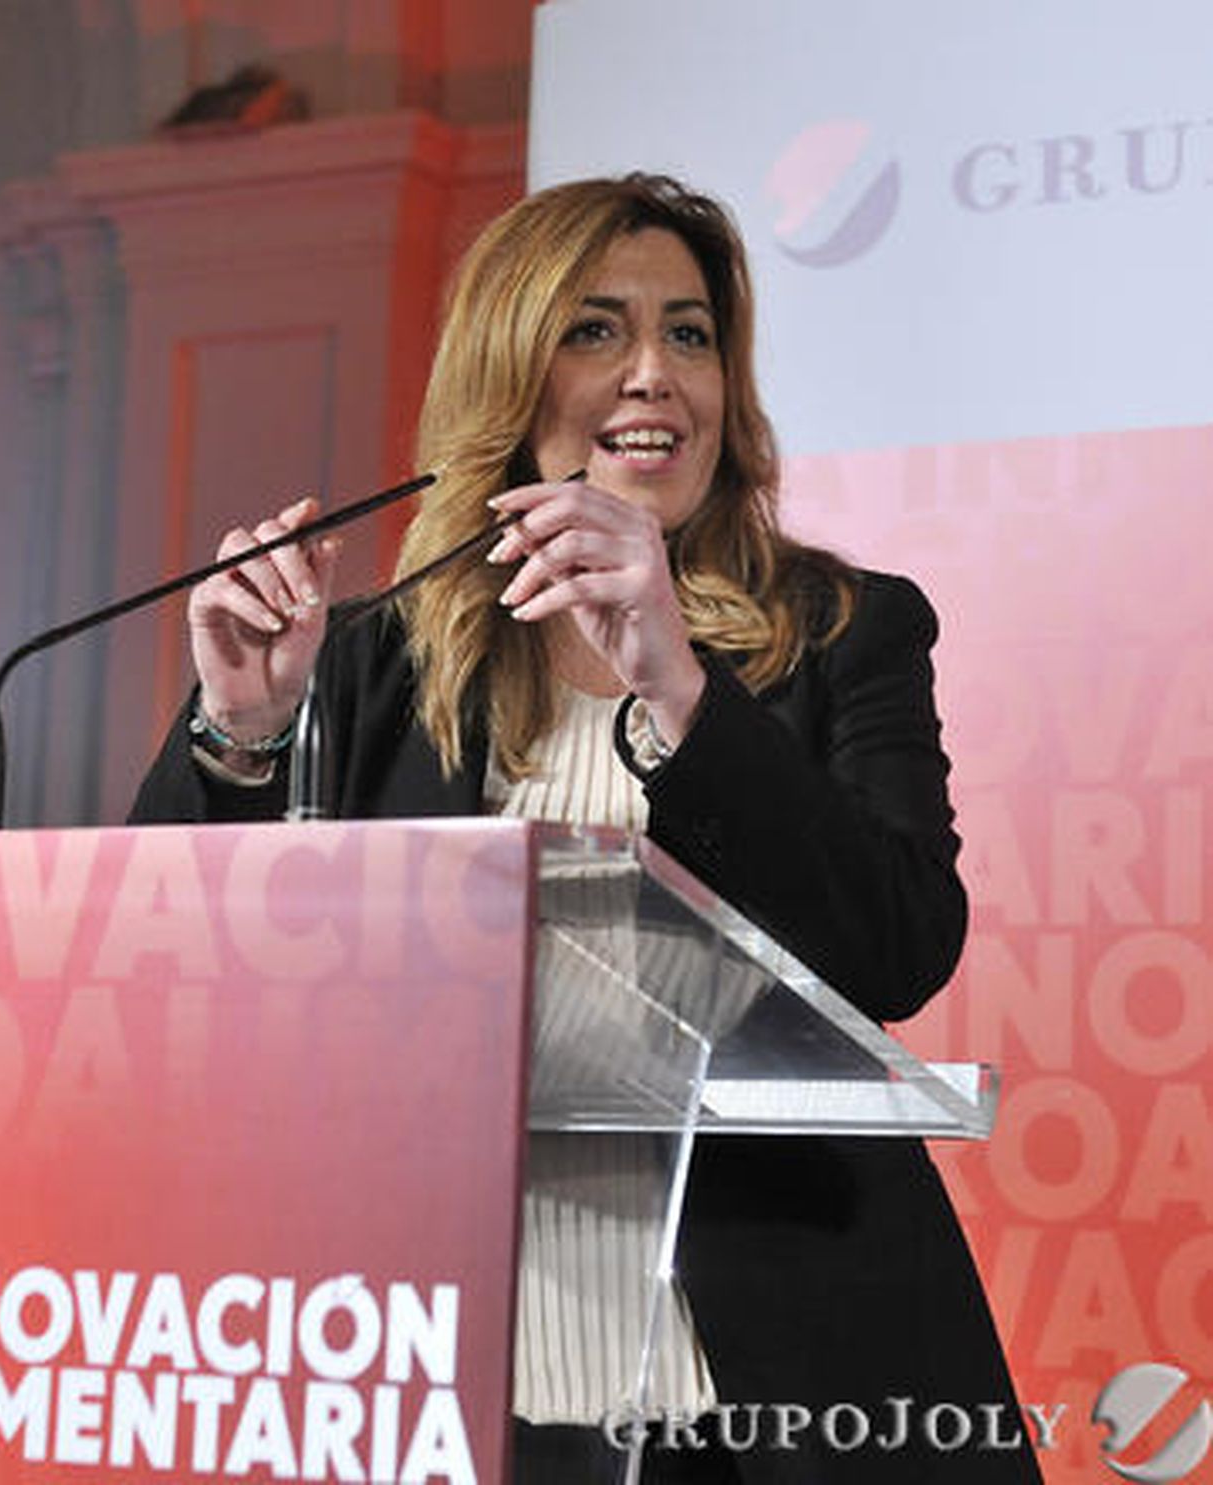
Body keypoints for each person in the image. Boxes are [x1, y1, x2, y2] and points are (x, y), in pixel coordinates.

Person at [130, 175, 1039, 1484]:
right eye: (597, 331)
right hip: (434, 1376)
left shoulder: (844, 629)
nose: (655, 375)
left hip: (768, 1386)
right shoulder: (377, 663)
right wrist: (242, 726)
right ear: (510, 374)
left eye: (690, 333)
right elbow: (172, 968)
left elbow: (898, 945)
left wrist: (681, 682)